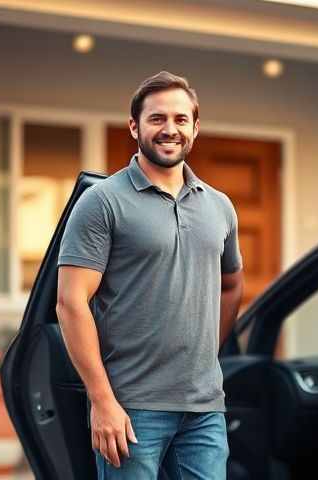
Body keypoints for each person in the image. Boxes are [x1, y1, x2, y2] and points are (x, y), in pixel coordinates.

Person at [55, 70, 244, 479]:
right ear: (134, 126)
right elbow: (71, 303)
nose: (169, 129)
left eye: (180, 119)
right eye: (157, 118)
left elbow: (231, 284)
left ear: (195, 127)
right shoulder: (102, 202)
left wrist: (206, 351)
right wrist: (102, 400)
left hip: (204, 409)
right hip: (129, 407)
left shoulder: (220, 206)